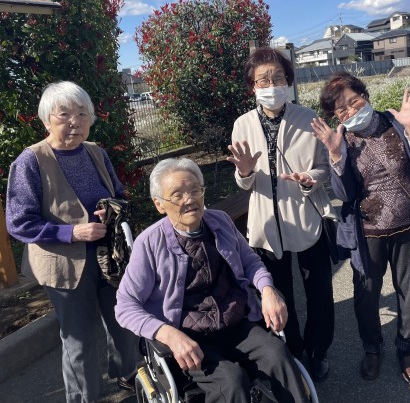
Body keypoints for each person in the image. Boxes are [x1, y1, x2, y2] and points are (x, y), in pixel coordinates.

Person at [115, 158, 309, 403]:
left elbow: (251, 262)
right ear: (159, 204)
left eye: (195, 190)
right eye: (177, 195)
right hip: (190, 337)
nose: (189, 199)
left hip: (236, 323)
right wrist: (168, 334)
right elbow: (125, 307)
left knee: (277, 354)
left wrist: (268, 289)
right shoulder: (149, 243)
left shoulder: (221, 222)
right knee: (231, 381)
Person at [5, 81, 138, 402]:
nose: (75, 121)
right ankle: (83, 396)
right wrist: (72, 233)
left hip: (110, 256)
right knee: (78, 337)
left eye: (82, 113)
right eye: (64, 114)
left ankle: (127, 374)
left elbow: (118, 193)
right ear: (46, 120)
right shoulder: (31, 161)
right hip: (64, 264)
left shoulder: (96, 152)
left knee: (123, 321)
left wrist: (112, 208)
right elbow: (18, 222)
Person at [311, 72, 410, 383]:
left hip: (407, 225)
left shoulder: (394, 122)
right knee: (366, 295)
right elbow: (345, 194)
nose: (351, 111)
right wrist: (336, 154)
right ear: (335, 116)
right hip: (367, 233)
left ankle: (406, 348)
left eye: (354, 101)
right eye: (342, 109)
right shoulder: (341, 140)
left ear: (365, 96)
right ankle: (372, 348)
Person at [226, 46, 335, 381]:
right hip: (266, 226)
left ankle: (318, 351)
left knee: (319, 292)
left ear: (288, 80)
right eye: (263, 80)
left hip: (306, 219)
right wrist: (244, 172)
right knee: (278, 293)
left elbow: (324, 168)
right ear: (253, 86)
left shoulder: (307, 118)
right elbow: (244, 182)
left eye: (277, 77)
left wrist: (310, 178)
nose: (271, 85)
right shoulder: (242, 125)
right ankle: (293, 352)